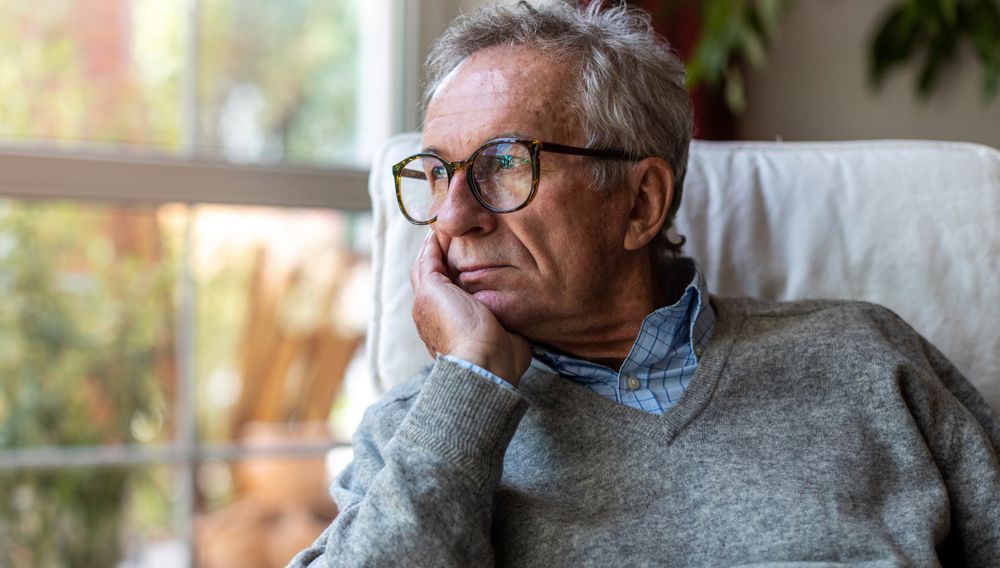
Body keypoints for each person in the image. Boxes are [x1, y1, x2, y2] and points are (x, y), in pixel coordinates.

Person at [290, 2, 1000, 566]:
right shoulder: (423, 429)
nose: (452, 217)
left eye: (503, 164)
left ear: (640, 204)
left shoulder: (867, 359)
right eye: (437, 174)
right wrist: (469, 385)